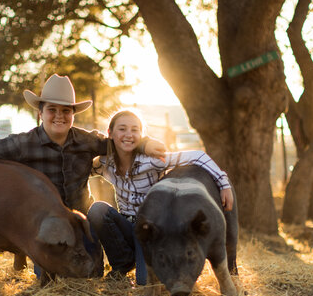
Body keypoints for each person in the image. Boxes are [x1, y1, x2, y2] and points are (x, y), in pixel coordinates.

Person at [0, 74, 165, 277]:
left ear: (73, 114)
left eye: (66, 111)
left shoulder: (86, 141)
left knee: (91, 273)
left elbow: (121, 142)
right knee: (48, 278)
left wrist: (146, 143)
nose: (59, 116)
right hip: (45, 228)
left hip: (81, 224)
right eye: (52, 110)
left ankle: (122, 262)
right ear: (40, 113)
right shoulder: (24, 144)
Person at [87, 109, 234, 284]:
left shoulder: (152, 161)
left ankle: (145, 261)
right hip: (126, 225)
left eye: (135, 130)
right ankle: (122, 263)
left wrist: (223, 183)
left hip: (151, 230)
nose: (128, 134)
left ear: (141, 135)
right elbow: (82, 171)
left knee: (144, 282)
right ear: (110, 133)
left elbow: (197, 156)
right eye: (122, 129)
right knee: (97, 210)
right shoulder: (105, 164)